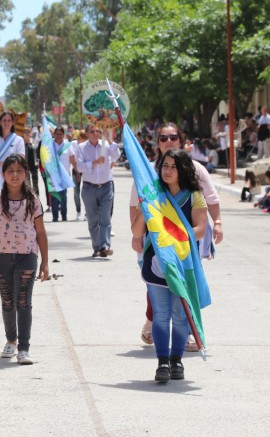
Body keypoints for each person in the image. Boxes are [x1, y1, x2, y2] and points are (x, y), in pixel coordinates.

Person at [130, 122, 224, 349]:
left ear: (181, 140)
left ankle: (189, 333)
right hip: (155, 245)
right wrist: (137, 235)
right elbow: (136, 206)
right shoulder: (147, 172)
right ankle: (155, 325)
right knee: (156, 286)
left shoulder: (196, 173)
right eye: (163, 137)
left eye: (173, 137)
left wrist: (218, 223)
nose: (169, 141)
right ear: (157, 142)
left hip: (185, 246)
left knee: (184, 287)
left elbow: (210, 201)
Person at [131, 149, 208, 383]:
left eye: (174, 167)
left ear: (183, 170)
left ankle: (177, 360)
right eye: (165, 166)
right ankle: (162, 361)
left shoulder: (194, 195)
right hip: (156, 264)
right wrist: (145, 206)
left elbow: (200, 229)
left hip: (183, 264)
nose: (168, 171)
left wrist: (174, 237)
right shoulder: (153, 194)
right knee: (161, 314)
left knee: (181, 315)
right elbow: (137, 231)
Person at [0, 155, 49, 365]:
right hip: (1, 257)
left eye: (20, 171)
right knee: (8, 301)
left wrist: (45, 262)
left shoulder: (33, 201)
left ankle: (24, 348)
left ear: (26, 173)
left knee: (24, 301)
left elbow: (41, 232)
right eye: (10, 171)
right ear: (3, 174)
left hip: (27, 256)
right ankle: (11, 340)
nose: (15, 175)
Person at [75, 124, 120, 257]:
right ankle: (97, 247)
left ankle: (105, 246)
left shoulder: (105, 145)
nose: (95, 133)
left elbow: (116, 155)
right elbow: (80, 167)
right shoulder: (81, 147)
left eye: (98, 131)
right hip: (89, 187)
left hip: (106, 186)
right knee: (93, 220)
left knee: (105, 217)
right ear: (87, 133)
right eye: (92, 131)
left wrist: (109, 139)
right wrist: (94, 163)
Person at [47, 126, 72, 222]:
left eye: (61, 134)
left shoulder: (67, 145)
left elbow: (72, 158)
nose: (59, 136)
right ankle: (55, 216)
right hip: (53, 174)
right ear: (54, 134)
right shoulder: (50, 145)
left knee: (63, 196)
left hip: (64, 175)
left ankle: (64, 215)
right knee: (54, 196)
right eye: (57, 134)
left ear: (63, 135)